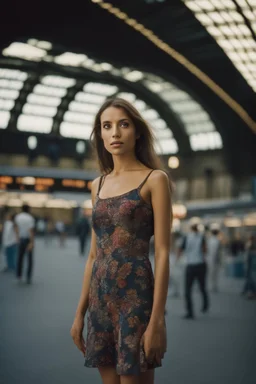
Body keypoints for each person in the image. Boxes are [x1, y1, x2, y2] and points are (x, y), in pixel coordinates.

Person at [70, 98, 172, 384]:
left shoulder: (155, 179)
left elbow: (163, 252)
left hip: (136, 298)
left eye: (123, 124)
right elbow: (93, 255)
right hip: (100, 299)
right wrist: (80, 313)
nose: (115, 132)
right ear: (100, 135)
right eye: (107, 126)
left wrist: (158, 321)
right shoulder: (96, 185)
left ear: (137, 131)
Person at [177, 217, 209, 319]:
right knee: (202, 286)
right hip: (200, 264)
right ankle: (205, 304)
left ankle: (190, 312)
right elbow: (205, 250)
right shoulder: (202, 237)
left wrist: (178, 259)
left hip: (190, 265)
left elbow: (180, 250)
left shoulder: (187, 237)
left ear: (191, 228)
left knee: (188, 290)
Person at [15, 204, 35, 284]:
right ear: (28, 209)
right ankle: (28, 277)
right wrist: (31, 242)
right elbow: (30, 230)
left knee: (20, 258)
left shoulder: (18, 217)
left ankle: (19, 276)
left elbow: (16, 228)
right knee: (29, 259)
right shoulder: (30, 218)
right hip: (27, 239)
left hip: (20, 238)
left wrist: (17, 237)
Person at [207, 223, 222, 293]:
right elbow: (215, 252)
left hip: (211, 259)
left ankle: (213, 286)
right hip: (213, 260)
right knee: (214, 274)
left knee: (212, 274)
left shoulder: (210, 240)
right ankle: (213, 286)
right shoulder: (216, 241)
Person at [241, 234, 256, 299]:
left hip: (251, 267)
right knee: (249, 278)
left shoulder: (251, 248)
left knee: (251, 278)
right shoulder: (250, 245)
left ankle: (252, 292)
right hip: (250, 266)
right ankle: (248, 291)